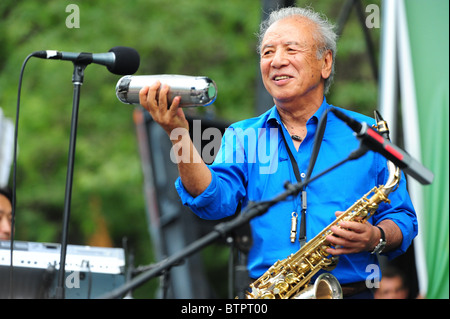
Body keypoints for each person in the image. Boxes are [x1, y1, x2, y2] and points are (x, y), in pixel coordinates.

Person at [138, 7, 417, 299]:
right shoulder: (243, 136)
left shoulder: (368, 133)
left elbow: (403, 219)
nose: (277, 61)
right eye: (267, 52)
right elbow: (212, 203)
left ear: (325, 62)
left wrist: (376, 237)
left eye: (291, 49)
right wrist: (178, 134)